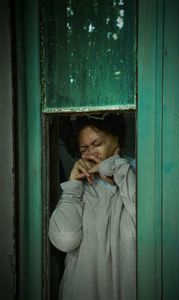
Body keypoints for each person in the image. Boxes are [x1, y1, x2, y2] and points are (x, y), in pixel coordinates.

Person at [49, 113, 136, 300]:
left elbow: (149, 225)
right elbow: (65, 239)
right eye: (84, 148)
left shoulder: (138, 174)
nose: (91, 154)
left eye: (97, 144)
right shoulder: (80, 187)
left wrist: (115, 167)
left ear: (116, 139)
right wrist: (72, 186)